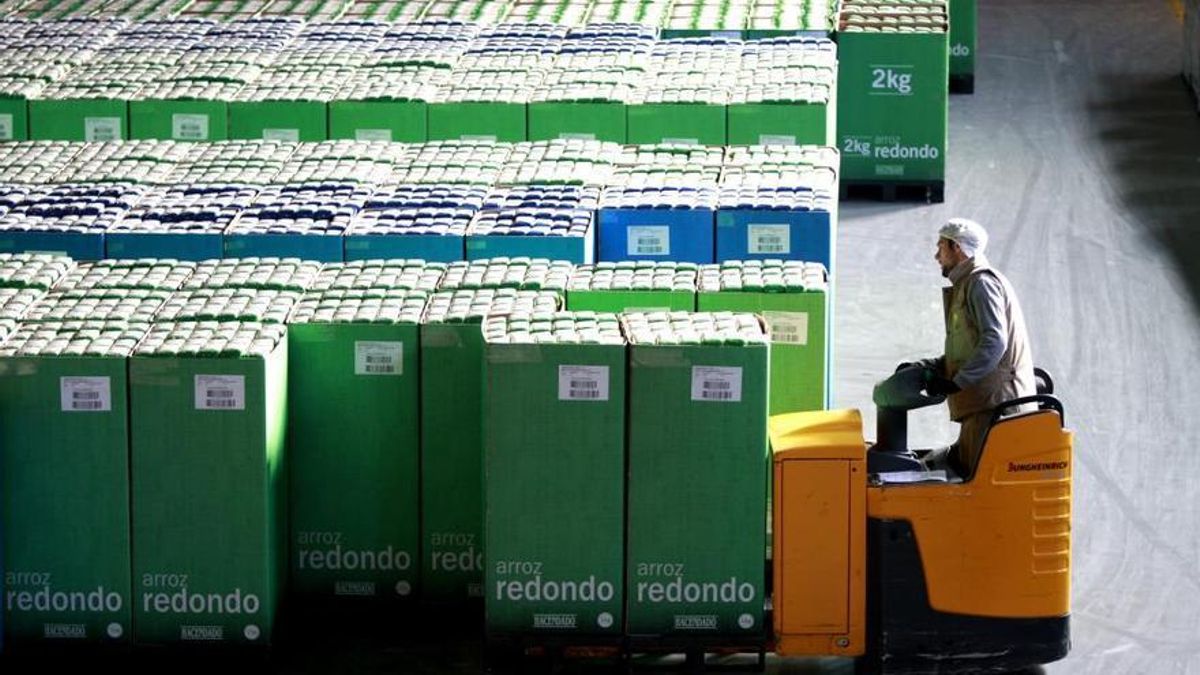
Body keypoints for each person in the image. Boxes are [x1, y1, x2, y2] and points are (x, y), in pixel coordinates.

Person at [901, 218, 1036, 476]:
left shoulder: (981, 283)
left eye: (941, 247)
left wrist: (957, 382)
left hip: (997, 408)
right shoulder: (968, 285)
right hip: (983, 404)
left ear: (958, 248)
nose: (936, 255)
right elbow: (967, 349)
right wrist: (928, 368)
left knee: (978, 484)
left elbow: (994, 341)